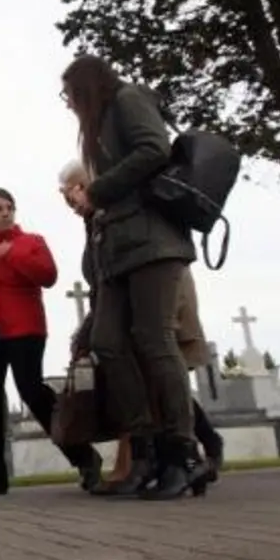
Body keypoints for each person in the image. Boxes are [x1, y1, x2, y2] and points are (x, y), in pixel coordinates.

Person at [59, 55, 204, 500]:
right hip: (119, 249)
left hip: (153, 242)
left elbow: (153, 149)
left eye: (70, 95)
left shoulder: (129, 97)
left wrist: (98, 191)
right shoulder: (101, 124)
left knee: (155, 339)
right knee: (107, 342)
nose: (68, 104)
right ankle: (143, 449)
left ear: (87, 86)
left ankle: (182, 454)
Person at [58, 161, 225, 484]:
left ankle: (182, 454)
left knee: (157, 369)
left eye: (73, 195)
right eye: (67, 200)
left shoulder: (118, 211)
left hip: (157, 301)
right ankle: (161, 455)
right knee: (147, 374)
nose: (73, 205)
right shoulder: (97, 220)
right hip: (125, 308)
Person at [0, 188, 103, 496]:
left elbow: (47, 275)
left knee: (32, 391)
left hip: (25, 329)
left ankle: (84, 456)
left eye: (9, 207)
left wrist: (11, 253)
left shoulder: (31, 242)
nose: (6, 213)